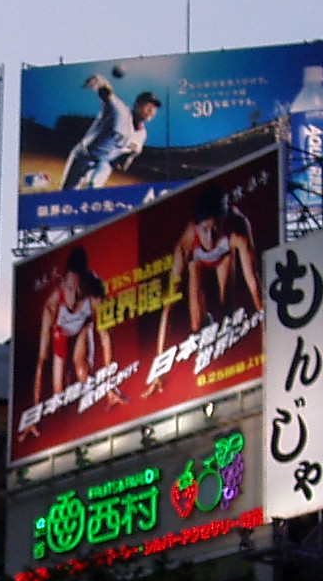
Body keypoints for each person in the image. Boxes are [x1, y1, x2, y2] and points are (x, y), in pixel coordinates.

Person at [143, 183, 262, 393]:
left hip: (225, 257)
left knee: (228, 315)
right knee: (196, 325)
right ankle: (205, 328)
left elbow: (253, 282)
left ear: (224, 221)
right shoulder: (187, 243)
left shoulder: (238, 229)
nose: (211, 236)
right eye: (205, 230)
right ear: (196, 227)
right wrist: (158, 371)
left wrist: (269, 332)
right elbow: (167, 309)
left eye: (216, 228)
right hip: (197, 261)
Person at [31, 247, 108, 403]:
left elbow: (106, 340)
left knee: (82, 373)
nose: (73, 299)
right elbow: (42, 360)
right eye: (70, 289)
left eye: (78, 290)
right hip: (61, 333)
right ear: (63, 283)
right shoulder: (52, 307)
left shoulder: (93, 296)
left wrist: (110, 384)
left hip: (83, 329)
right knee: (58, 394)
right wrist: (35, 408)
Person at [58, 74, 159, 190]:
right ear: (137, 105)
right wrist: (97, 80)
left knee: (93, 189)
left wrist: (124, 161)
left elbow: (132, 153)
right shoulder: (120, 111)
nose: (151, 110)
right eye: (148, 105)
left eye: (155, 107)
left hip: (104, 162)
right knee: (68, 192)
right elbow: (107, 94)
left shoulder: (142, 135)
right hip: (84, 154)